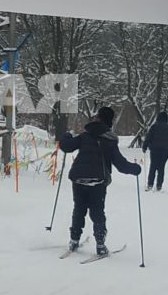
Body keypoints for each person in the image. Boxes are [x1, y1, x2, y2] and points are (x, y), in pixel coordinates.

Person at [57, 105, 141, 256]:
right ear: (110, 122)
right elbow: (121, 165)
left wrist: (66, 137)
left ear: (97, 118)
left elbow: (66, 146)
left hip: (78, 179)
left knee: (79, 210)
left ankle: (74, 240)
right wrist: (135, 169)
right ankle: (100, 245)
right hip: (98, 181)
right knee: (97, 213)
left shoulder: (85, 135)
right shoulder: (110, 140)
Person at [144, 110, 168, 192]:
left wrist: (144, 146)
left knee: (153, 166)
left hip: (154, 149)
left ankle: (150, 184)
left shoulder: (154, 127)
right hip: (166, 150)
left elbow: (148, 137)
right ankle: (159, 185)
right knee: (161, 167)